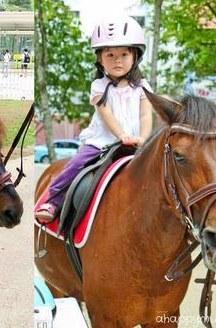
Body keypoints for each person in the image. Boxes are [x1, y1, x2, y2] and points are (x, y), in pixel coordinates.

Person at [35, 15, 153, 222]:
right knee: (75, 164)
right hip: (102, 143)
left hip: (136, 143)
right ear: (100, 58)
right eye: (110, 55)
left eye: (124, 54)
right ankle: (52, 200)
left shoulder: (142, 87)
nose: (118, 60)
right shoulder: (99, 87)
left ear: (135, 56)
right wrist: (122, 135)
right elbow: (105, 114)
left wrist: (143, 138)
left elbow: (145, 115)